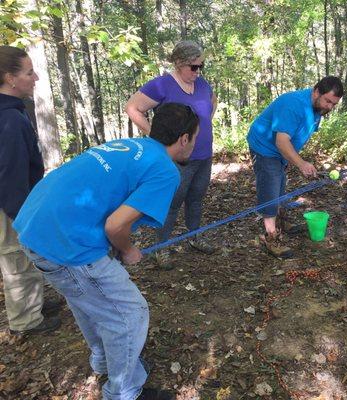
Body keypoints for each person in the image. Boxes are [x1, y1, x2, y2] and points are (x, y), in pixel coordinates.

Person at [13, 103, 200, 400]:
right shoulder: (165, 170)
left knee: (86, 297)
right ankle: (123, 392)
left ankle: (103, 360)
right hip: (67, 242)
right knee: (129, 313)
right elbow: (116, 225)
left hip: (34, 225)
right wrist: (128, 250)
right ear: (184, 139)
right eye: (195, 137)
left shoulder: (133, 145)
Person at [125, 40, 217, 256]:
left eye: (201, 66)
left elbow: (213, 101)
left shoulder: (202, 84)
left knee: (196, 198)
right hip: (177, 159)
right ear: (178, 63)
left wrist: (204, 123)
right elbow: (132, 108)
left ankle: (194, 236)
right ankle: (161, 247)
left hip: (203, 154)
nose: (198, 71)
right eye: (193, 66)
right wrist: (157, 136)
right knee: (172, 201)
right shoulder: (162, 85)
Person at [0, 45, 61, 335]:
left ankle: (33, 303)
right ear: (10, 78)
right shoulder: (9, 119)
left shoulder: (12, 111)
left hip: (17, 198)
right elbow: (9, 174)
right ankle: (25, 321)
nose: (35, 78)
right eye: (28, 73)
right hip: (9, 204)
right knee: (16, 257)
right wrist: (21, 215)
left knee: (26, 255)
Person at [247, 76, 343, 258]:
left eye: (334, 104)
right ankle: (270, 237)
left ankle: (282, 222)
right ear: (316, 92)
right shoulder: (293, 105)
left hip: (279, 151)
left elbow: (298, 134)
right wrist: (301, 163)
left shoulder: (317, 108)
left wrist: (296, 160)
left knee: (280, 183)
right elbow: (281, 142)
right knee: (270, 187)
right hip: (265, 148)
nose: (329, 107)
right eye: (328, 101)